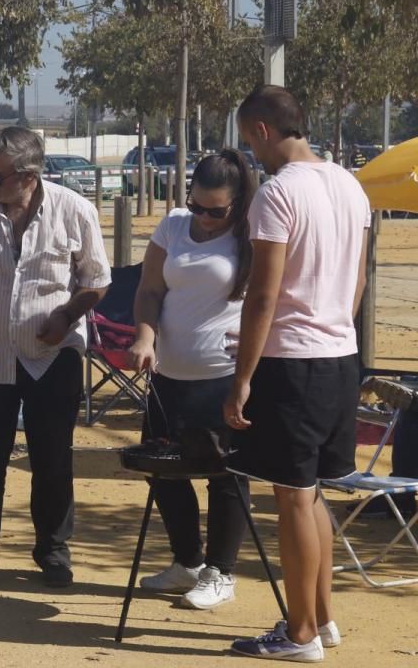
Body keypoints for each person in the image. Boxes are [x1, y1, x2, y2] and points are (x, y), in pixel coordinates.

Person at [0, 127, 111, 588]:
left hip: (54, 358)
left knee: (52, 461)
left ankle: (53, 553)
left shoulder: (75, 211)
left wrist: (69, 314)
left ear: (27, 176)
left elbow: (96, 280)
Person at [225, 85, 371, 662]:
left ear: (261, 129)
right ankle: (321, 619)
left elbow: (263, 296)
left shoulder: (277, 193)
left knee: (292, 498)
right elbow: (357, 282)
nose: (250, 154)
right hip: (339, 355)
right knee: (311, 497)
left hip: (292, 362)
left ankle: (301, 632)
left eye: (247, 141)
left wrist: (241, 378)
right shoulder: (348, 184)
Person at [127, 150, 258, 610]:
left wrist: (260, 340)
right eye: (196, 205)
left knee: (225, 476)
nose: (202, 217)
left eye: (215, 210)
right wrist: (145, 336)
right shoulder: (174, 226)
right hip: (167, 375)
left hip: (222, 377)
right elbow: (149, 289)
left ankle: (222, 573)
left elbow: (276, 298)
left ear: (238, 204)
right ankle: (188, 562)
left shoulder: (253, 236)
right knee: (162, 470)